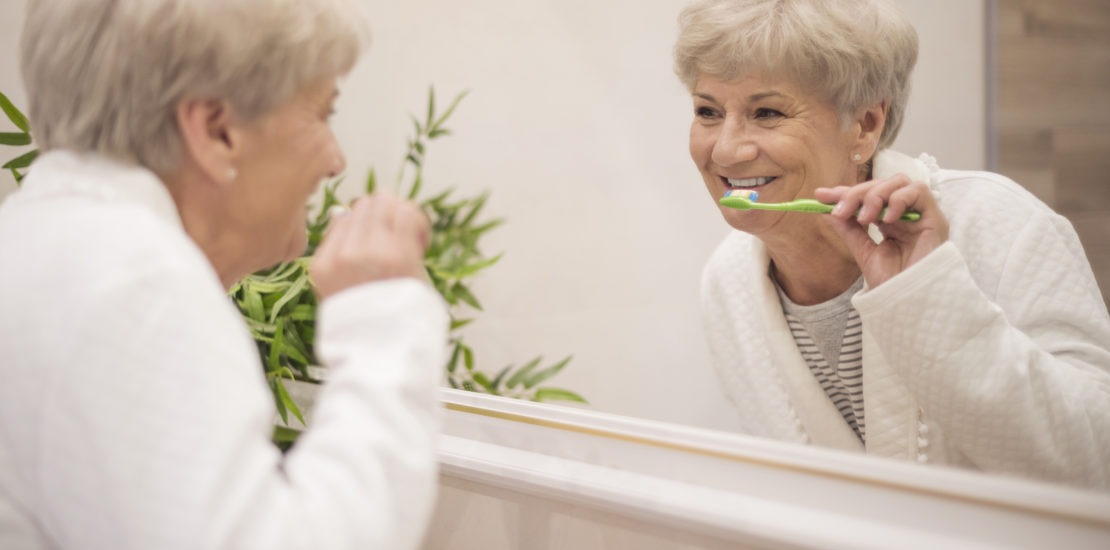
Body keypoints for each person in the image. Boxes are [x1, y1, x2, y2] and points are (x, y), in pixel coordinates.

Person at [0, 1, 448, 548]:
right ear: (215, 131)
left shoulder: (38, 242)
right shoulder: (138, 286)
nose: (336, 162)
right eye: (323, 113)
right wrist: (383, 325)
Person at [674, 0, 1110, 490]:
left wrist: (927, 295)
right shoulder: (728, 282)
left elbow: (1096, 465)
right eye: (707, 111)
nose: (727, 149)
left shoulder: (999, 223)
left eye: (767, 112)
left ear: (865, 126)